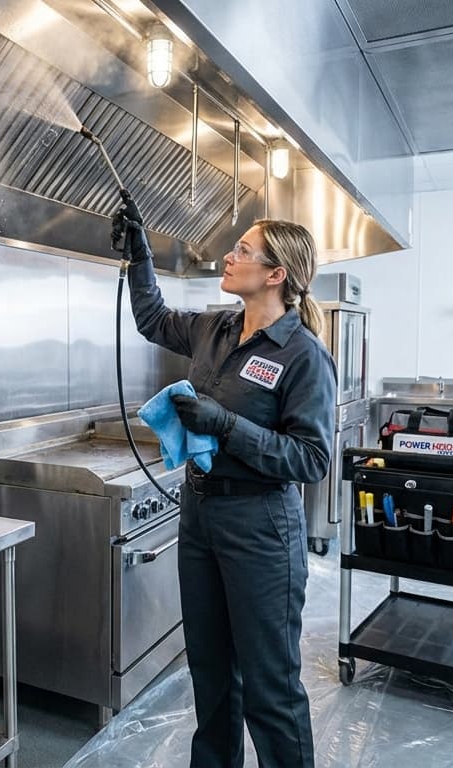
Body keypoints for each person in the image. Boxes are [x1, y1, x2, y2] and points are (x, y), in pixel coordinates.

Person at [113, 197, 336, 768]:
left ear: (275, 274)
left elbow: (312, 458)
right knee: (211, 674)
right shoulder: (215, 328)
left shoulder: (302, 355)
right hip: (201, 517)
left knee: (269, 687)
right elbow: (152, 319)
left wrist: (226, 426)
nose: (228, 257)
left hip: (261, 527)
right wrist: (140, 256)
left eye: (242, 250)